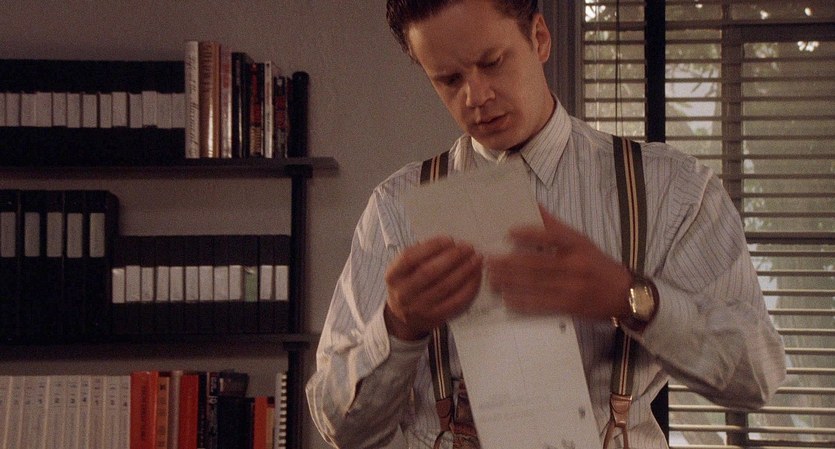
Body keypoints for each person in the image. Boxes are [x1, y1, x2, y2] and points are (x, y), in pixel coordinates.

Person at [306, 0, 786, 448]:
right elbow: (338, 428)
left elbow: (756, 376)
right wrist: (398, 328)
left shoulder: (673, 191)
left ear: (539, 37)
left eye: (492, 62)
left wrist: (630, 297)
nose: (476, 96)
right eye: (449, 79)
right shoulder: (394, 209)